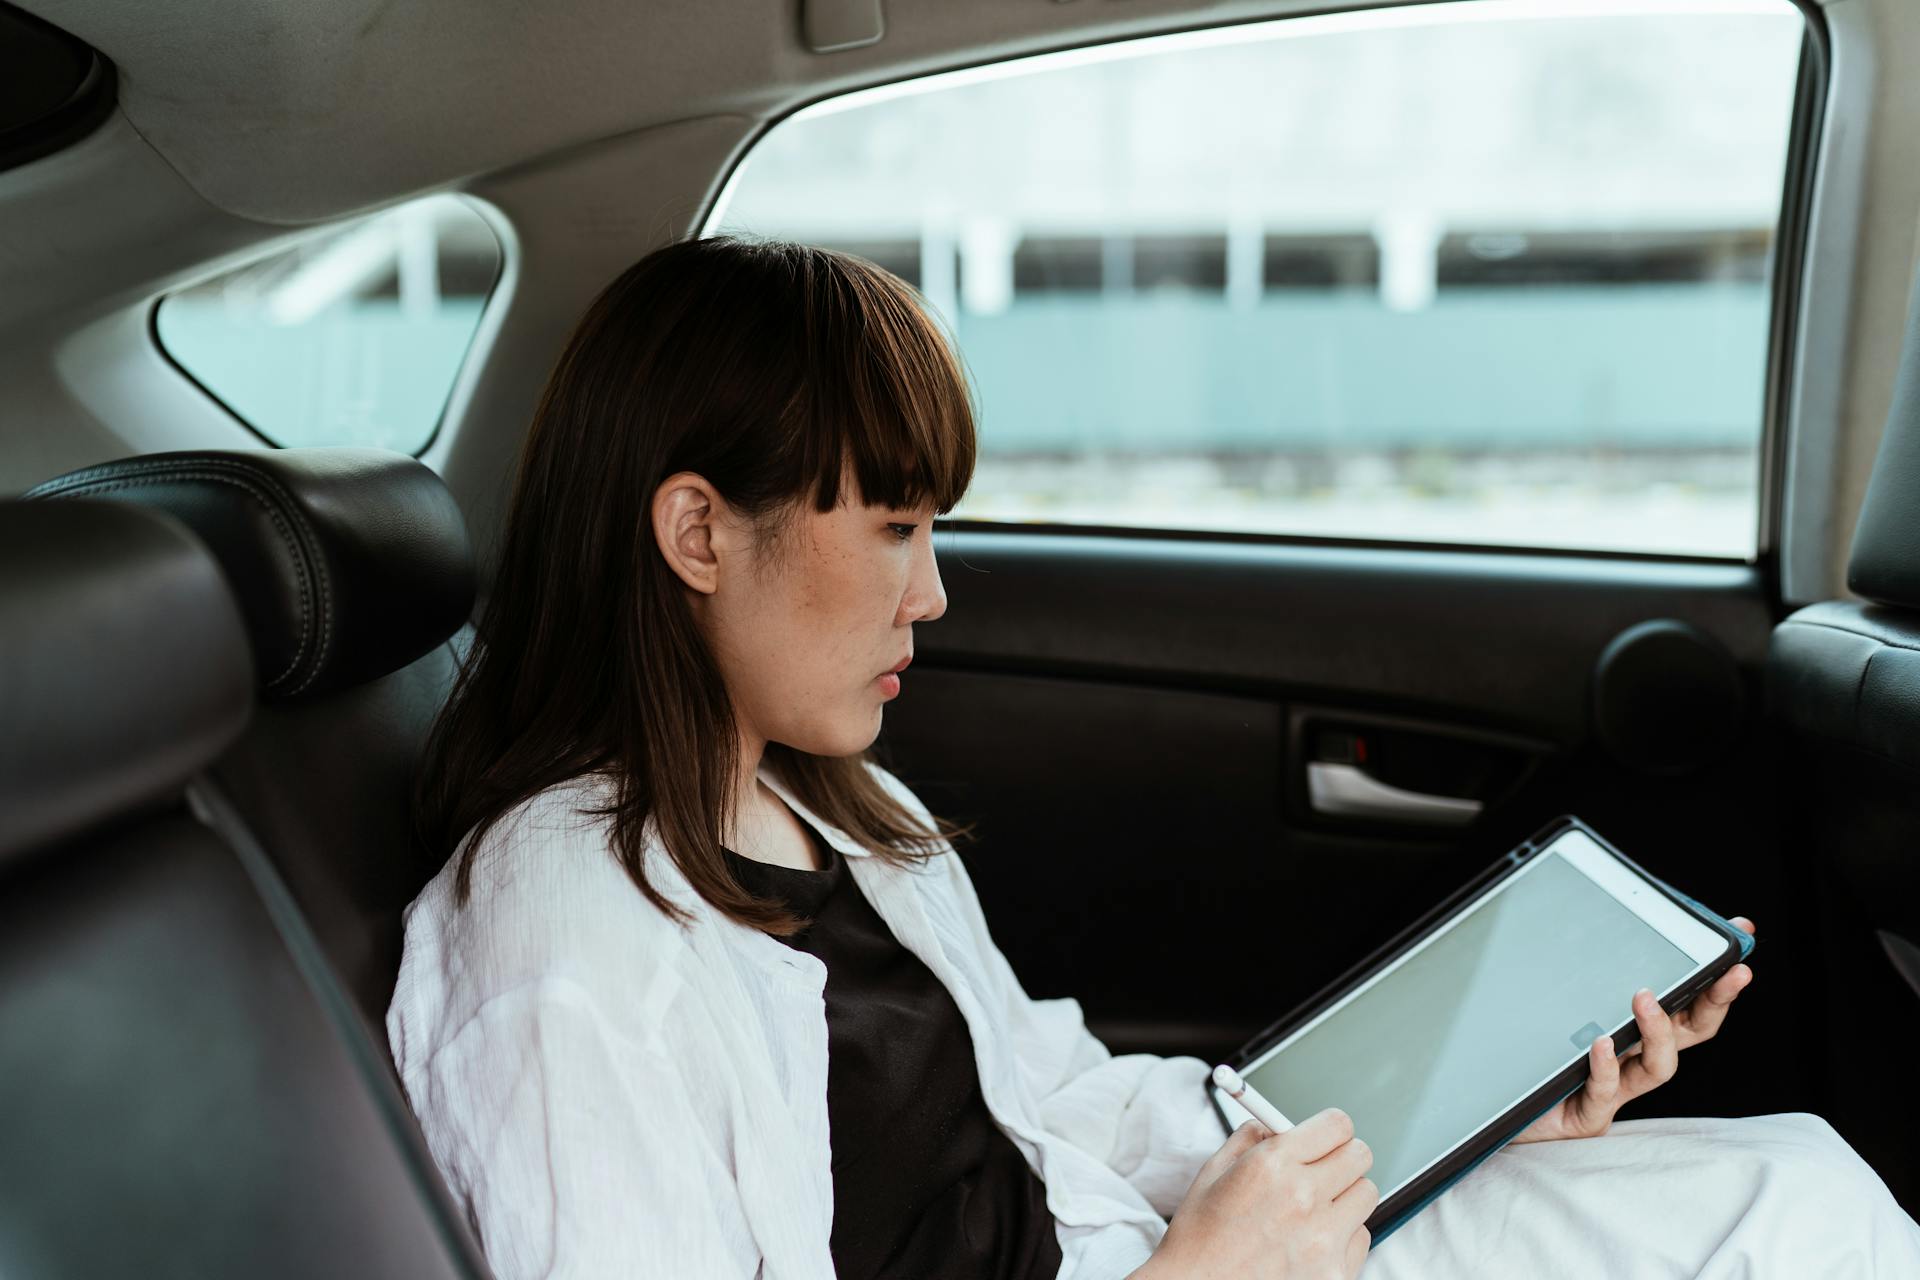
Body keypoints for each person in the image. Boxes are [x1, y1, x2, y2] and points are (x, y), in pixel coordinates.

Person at [387, 235, 1920, 1279]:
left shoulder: (833, 808)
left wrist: (1453, 1100)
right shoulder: (565, 958)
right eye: (897, 529)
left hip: (1140, 1243)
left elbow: (1059, 1103)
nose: (933, 592)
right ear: (700, 530)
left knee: (1801, 1186)